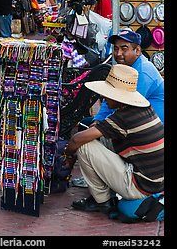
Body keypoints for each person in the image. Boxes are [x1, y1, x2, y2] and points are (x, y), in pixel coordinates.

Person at [63, 64, 164, 214]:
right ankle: (104, 191)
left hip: (142, 187)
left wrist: (68, 156)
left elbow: (77, 140)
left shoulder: (124, 117)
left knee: (85, 146)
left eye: (108, 94)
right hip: (156, 181)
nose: (104, 97)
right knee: (97, 139)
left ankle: (101, 201)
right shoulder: (142, 108)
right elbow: (103, 129)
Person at [71, 28, 164, 189]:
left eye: (124, 48)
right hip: (134, 122)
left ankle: (101, 181)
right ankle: (100, 175)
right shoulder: (126, 69)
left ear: (137, 50)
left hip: (150, 128)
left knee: (89, 138)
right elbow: (110, 101)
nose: (119, 53)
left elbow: (125, 107)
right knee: (88, 125)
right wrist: (97, 120)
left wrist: (99, 126)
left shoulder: (142, 73)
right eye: (116, 48)